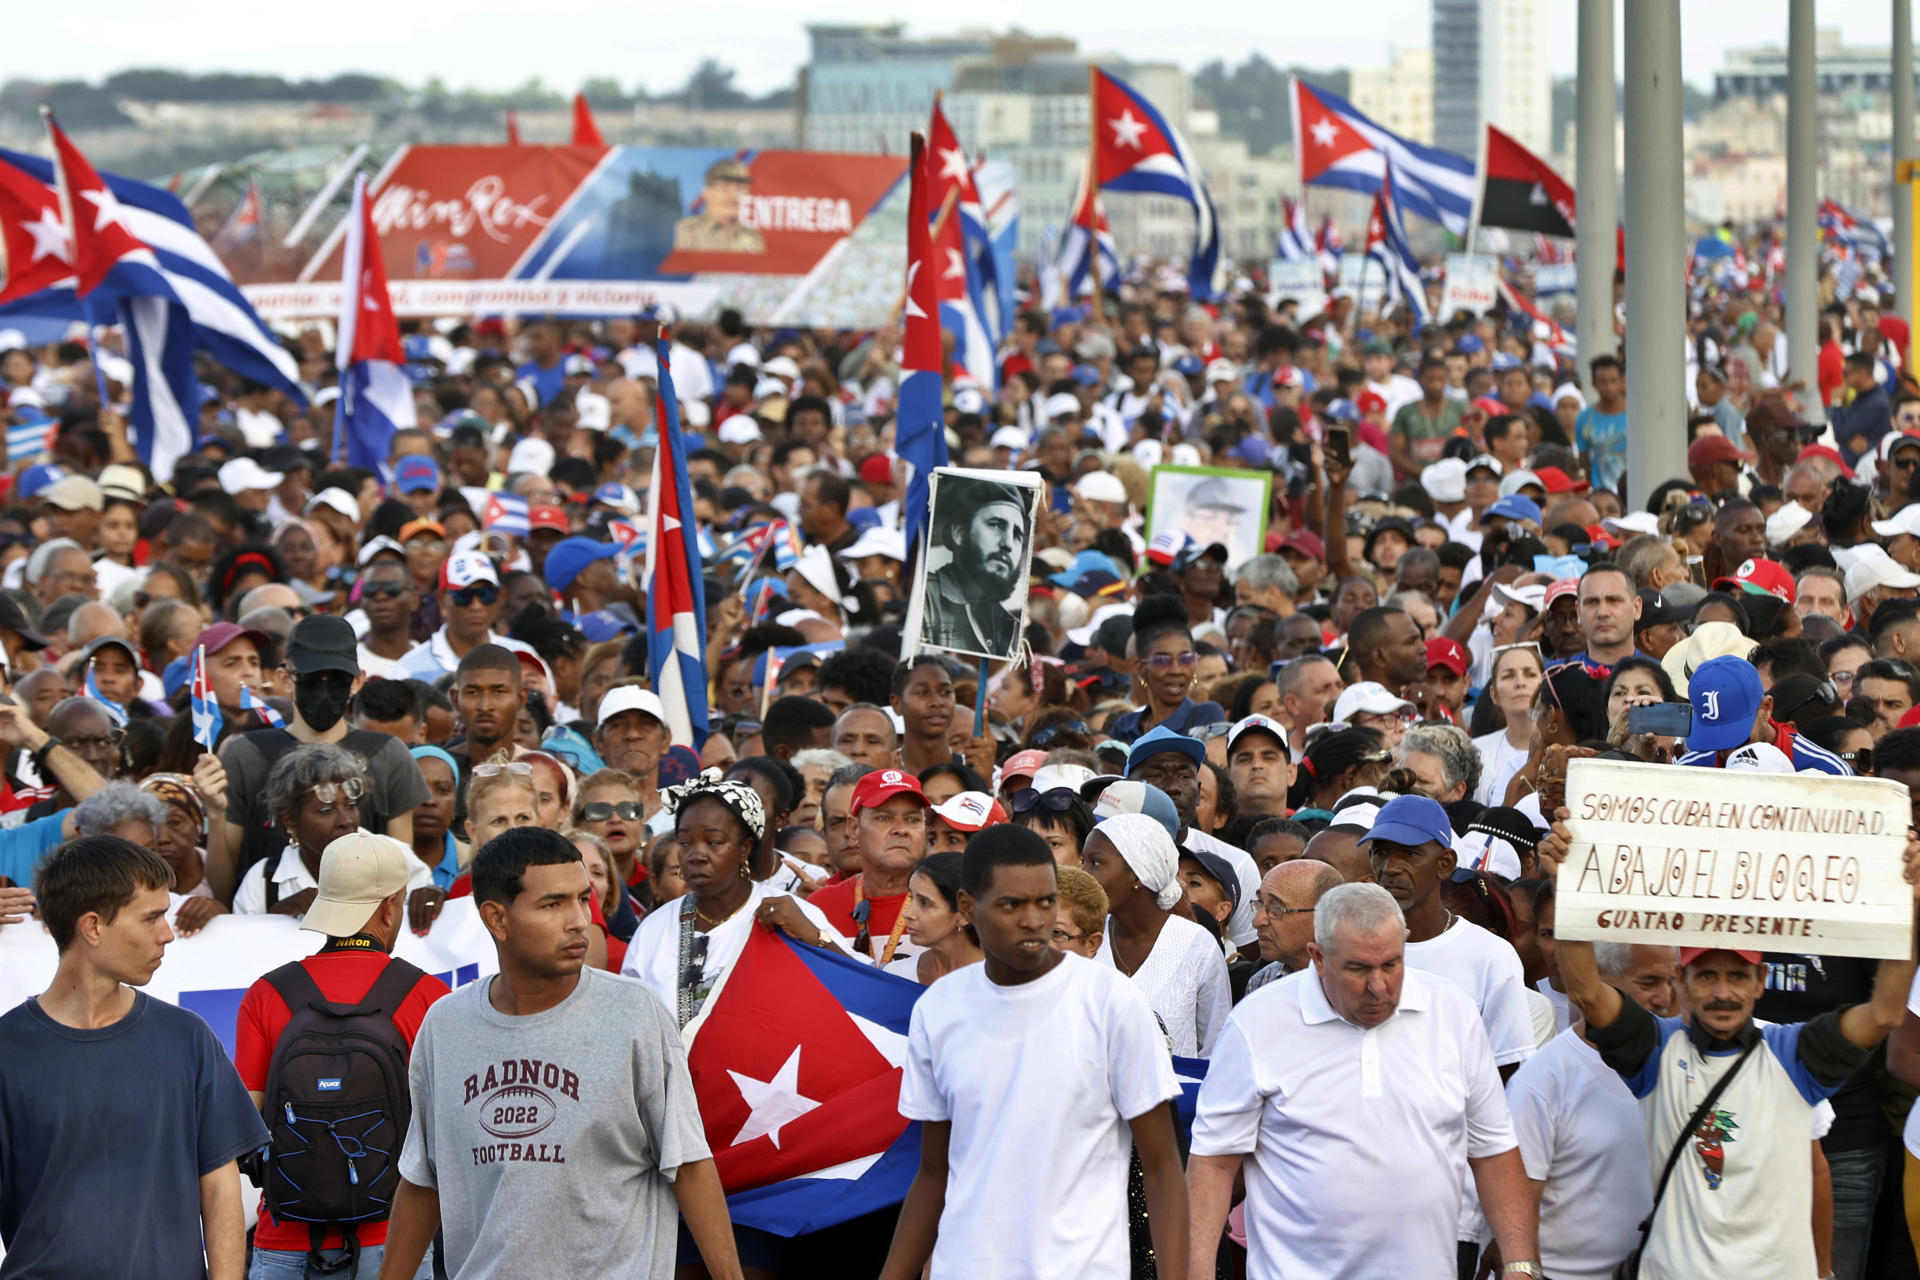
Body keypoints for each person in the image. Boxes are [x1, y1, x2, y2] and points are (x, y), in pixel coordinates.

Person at [1539, 808, 1920, 1280]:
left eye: (1737, 976)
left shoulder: (1795, 1055)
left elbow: (1884, 1013)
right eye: (1708, 976)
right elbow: (1587, 992)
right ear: (1683, 980)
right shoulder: (1655, 1052)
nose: (1723, 992)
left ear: (1761, 981)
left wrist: (1911, 902)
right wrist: (1566, 886)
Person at [376, 827, 745, 1280]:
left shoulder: (634, 1012)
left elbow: (688, 1165)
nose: (577, 921)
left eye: (582, 900)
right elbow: (423, 1182)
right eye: (553, 904)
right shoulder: (445, 1026)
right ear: (496, 919)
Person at [1185, 882, 1542, 1280]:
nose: (1378, 986)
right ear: (1318, 958)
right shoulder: (1257, 1023)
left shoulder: (1453, 1014)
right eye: (1358, 968)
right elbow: (1214, 1164)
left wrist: (1521, 1265)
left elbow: (1493, 1150)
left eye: (1391, 964)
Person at [879, 825, 1188, 1280]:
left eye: (1045, 901)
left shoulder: (1112, 1003)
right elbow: (933, 1174)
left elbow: (1163, 1167)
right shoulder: (938, 1011)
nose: (1033, 920)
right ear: (968, 908)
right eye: (1011, 904)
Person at [0, 835, 269, 1279]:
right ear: (93, 927)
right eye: (151, 917)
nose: (166, 934)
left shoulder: (188, 1039)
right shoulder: (8, 1050)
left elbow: (222, 1190)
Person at [236, 832, 451, 1280]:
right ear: (391, 906)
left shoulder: (266, 994)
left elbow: (245, 1125)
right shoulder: (428, 996)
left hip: (284, 1237)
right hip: (393, 1241)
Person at [1506, 942, 1679, 1280]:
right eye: (1649, 983)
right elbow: (1518, 1208)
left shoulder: (1691, 1063)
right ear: (1598, 979)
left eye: (1673, 981)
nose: (1665, 997)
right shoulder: (1542, 1082)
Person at [1363, 794, 1536, 1076]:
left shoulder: (1490, 956)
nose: (1390, 868)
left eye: (1409, 853)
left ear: (1445, 863)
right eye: (1381, 852)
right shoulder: (1348, 947)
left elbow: (1505, 1070)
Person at [1082, 812, 1232, 1056]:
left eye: (1096, 862)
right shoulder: (1082, 937)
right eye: (1083, 862)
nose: (1084, 873)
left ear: (1138, 873)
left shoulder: (1198, 946)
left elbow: (1218, 1049)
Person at [807, 767, 932, 962]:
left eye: (912, 819)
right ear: (854, 828)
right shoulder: (819, 907)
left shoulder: (948, 905)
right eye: (884, 818)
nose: (901, 830)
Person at [922, 478, 1029, 656]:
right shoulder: (926, 596)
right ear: (959, 533)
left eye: (1017, 535)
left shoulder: (1008, 623)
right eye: (995, 525)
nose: (1008, 544)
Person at [1242, 857, 1344, 994]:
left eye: (1276, 908)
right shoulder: (1263, 982)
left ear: (1324, 916)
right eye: (1260, 903)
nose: (1257, 921)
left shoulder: (1360, 984)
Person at [899, 850, 986, 984]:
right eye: (911, 899)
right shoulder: (897, 975)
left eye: (924, 903)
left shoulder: (1005, 984)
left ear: (964, 915)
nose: (907, 914)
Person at [671, 157, 766, 254]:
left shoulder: (754, 236)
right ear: (707, 193)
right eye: (724, 187)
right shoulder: (688, 231)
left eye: (740, 188)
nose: (733, 195)